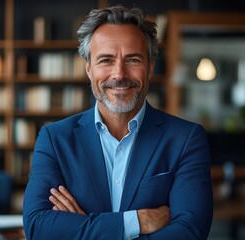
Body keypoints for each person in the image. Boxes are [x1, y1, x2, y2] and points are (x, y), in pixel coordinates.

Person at [23, 5, 213, 240]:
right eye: (106, 60)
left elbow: (190, 232)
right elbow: (38, 227)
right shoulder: (55, 139)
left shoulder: (186, 139)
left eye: (133, 59)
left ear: (150, 68)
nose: (119, 74)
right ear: (89, 69)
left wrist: (82, 228)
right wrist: (136, 221)